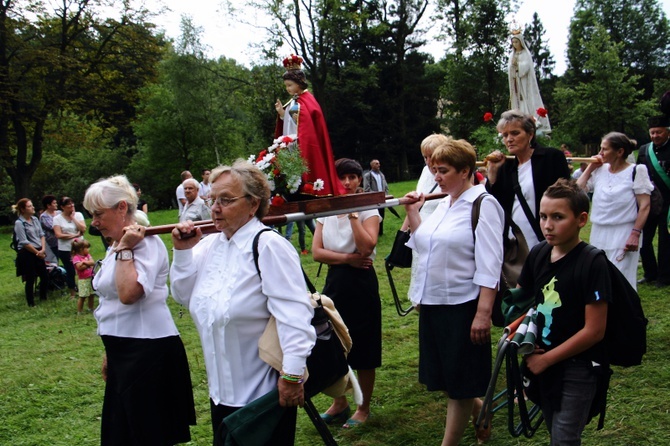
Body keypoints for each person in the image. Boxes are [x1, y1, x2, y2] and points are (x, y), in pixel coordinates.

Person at [170, 161, 316, 446]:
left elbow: (295, 316)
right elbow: (184, 297)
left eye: (226, 200)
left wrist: (292, 376)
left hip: (262, 396)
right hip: (220, 394)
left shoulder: (268, 246)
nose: (215, 208)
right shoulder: (211, 245)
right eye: (213, 200)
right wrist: (183, 253)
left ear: (253, 205)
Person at [403, 139, 504, 446]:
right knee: (446, 378)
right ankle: (480, 409)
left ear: (465, 171)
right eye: (434, 170)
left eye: (443, 171)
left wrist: (483, 314)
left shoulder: (483, 204)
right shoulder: (445, 202)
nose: (436, 177)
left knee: (459, 383)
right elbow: (425, 246)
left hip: (463, 306)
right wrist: (413, 211)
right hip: (434, 303)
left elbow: (490, 264)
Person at [84, 174, 196, 446]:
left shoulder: (145, 244)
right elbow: (109, 302)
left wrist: (125, 250)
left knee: (146, 435)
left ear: (122, 208)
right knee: (122, 434)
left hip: (148, 352)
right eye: (91, 215)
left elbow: (128, 294)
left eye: (98, 214)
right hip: (124, 349)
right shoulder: (117, 244)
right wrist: (110, 352)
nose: (93, 222)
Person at [518, 179, 610, 445]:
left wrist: (547, 360)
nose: (547, 225)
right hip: (542, 361)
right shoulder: (538, 254)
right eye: (543, 216)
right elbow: (526, 303)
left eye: (558, 217)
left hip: (578, 367)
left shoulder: (592, 263)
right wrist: (517, 333)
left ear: (581, 219)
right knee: (552, 426)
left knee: (564, 438)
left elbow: (595, 331)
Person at [312, 158, 382, 428]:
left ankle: (363, 408)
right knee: (334, 344)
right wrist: (346, 259)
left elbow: (366, 247)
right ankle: (339, 402)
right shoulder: (326, 210)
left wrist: (353, 214)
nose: (347, 182)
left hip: (361, 282)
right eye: (342, 177)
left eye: (353, 177)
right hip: (336, 281)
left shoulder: (368, 208)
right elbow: (317, 252)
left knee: (363, 344)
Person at [486, 110, 571, 251]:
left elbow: (567, 198)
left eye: (515, 133)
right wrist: (493, 173)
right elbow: (494, 203)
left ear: (530, 134)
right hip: (514, 240)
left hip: (545, 236)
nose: (509, 139)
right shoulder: (506, 166)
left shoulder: (551, 158)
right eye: (505, 135)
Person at [576, 132, 652, 289]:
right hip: (599, 231)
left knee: (621, 279)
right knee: (600, 276)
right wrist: (591, 167)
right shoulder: (599, 170)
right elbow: (577, 190)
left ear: (620, 151)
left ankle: (626, 312)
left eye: (605, 149)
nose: (600, 153)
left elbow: (645, 205)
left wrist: (635, 234)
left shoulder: (637, 170)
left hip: (624, 231)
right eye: (600, 149)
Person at [274, 54, 345, 197]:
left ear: (299, 83)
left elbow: (304, 128)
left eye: (290, 85)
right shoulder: (296, 101)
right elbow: (291, 122)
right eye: (286, 86)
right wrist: (282, 114)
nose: (287, 89)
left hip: (300, 145)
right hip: (292, 146)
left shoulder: (305, 101)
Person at [636, 115, 670, 286]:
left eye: (659, 132)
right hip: (649, 202)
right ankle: (650, 273)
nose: (655, 136)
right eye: (652, 133)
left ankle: (665, 276)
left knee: (665, 241)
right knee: (643, 239)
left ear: (667, 132)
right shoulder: (643, 150)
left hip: (668, 204)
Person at [508, 31, 551, 134]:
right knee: (518, 105)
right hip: (517, 85)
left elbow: (525, 68)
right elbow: (510, 69)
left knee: (527, 103)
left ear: (521, 42)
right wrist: (512, 66)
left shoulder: (525, 54)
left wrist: (517, 64)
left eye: (516, 42)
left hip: (525, 85)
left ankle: (531, 122)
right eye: (513, 42)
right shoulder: (512, 55)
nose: (515, 44)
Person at [13, 198, 49, 307]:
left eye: (32, 205)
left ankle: (43, 297)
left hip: (39, 249)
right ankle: (31, 302)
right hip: (27, 252)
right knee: (30, 278)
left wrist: (42, 249)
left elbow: (41, 235)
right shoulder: (19, 223)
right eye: (29, 206)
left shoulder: (35, 219)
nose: (32, 208)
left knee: (44, 276)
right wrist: (36, 252)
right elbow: (24, 242)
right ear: (23, 210)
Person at [53, 197, 87, 298]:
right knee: (70, 271)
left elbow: (83, 229)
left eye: (72, 203)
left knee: (84, 268)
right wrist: (74, 235)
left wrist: (73, 218)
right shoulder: (57, 218)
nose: (71, 205)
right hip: (65, 249)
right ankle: (72, 292)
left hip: (80, 247)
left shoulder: (78, 215)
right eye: (68, 204)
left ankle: (85, 289)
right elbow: (58, 235)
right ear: (62, 207)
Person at [363, 159, 390, 235]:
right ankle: (374, 232)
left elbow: (386, 186)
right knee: (375, 216)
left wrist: (386, 195)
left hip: (382, 199)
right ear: (372, 165)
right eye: (376, 164)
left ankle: (380, 232)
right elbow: (367, 188)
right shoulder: (368, 176)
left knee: (382, 215)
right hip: (374, 200)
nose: (379, 165)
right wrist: (375, 196)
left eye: (379, 163)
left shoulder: (381, 175)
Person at [71, 238, 96, 314]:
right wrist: (88, 264)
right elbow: (79, 267)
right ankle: (79, 311)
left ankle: (90, 308)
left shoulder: (87, 255)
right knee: (82, 296)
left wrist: (84, 262)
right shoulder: (76, 258)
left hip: (91, 277)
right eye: (87, 248)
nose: (88, 249)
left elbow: (93, 262)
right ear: (81, 249)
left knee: (91, 294)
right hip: (83, 280)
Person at [39, 194, 61, 263]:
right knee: (54, 260)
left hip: (62, 241)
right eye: (54, 203)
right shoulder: (44, 217)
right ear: (48, 205)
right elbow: (52, 227)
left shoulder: (59, 213)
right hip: (52, 244)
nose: (56, 204)